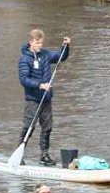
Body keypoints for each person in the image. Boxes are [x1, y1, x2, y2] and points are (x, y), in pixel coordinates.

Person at [18, 29, 71, 165]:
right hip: (33, 99)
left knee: (47, 127)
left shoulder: (45, 54)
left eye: (41, 43)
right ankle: (19, 155)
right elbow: (24, 79)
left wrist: (65, 47)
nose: (40, 45)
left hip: (46, 99)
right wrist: (40, 85)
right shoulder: (25, 59)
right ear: (31, 42)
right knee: (29, 127)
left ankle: (44, 155)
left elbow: (60, 57)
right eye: (37, 43)